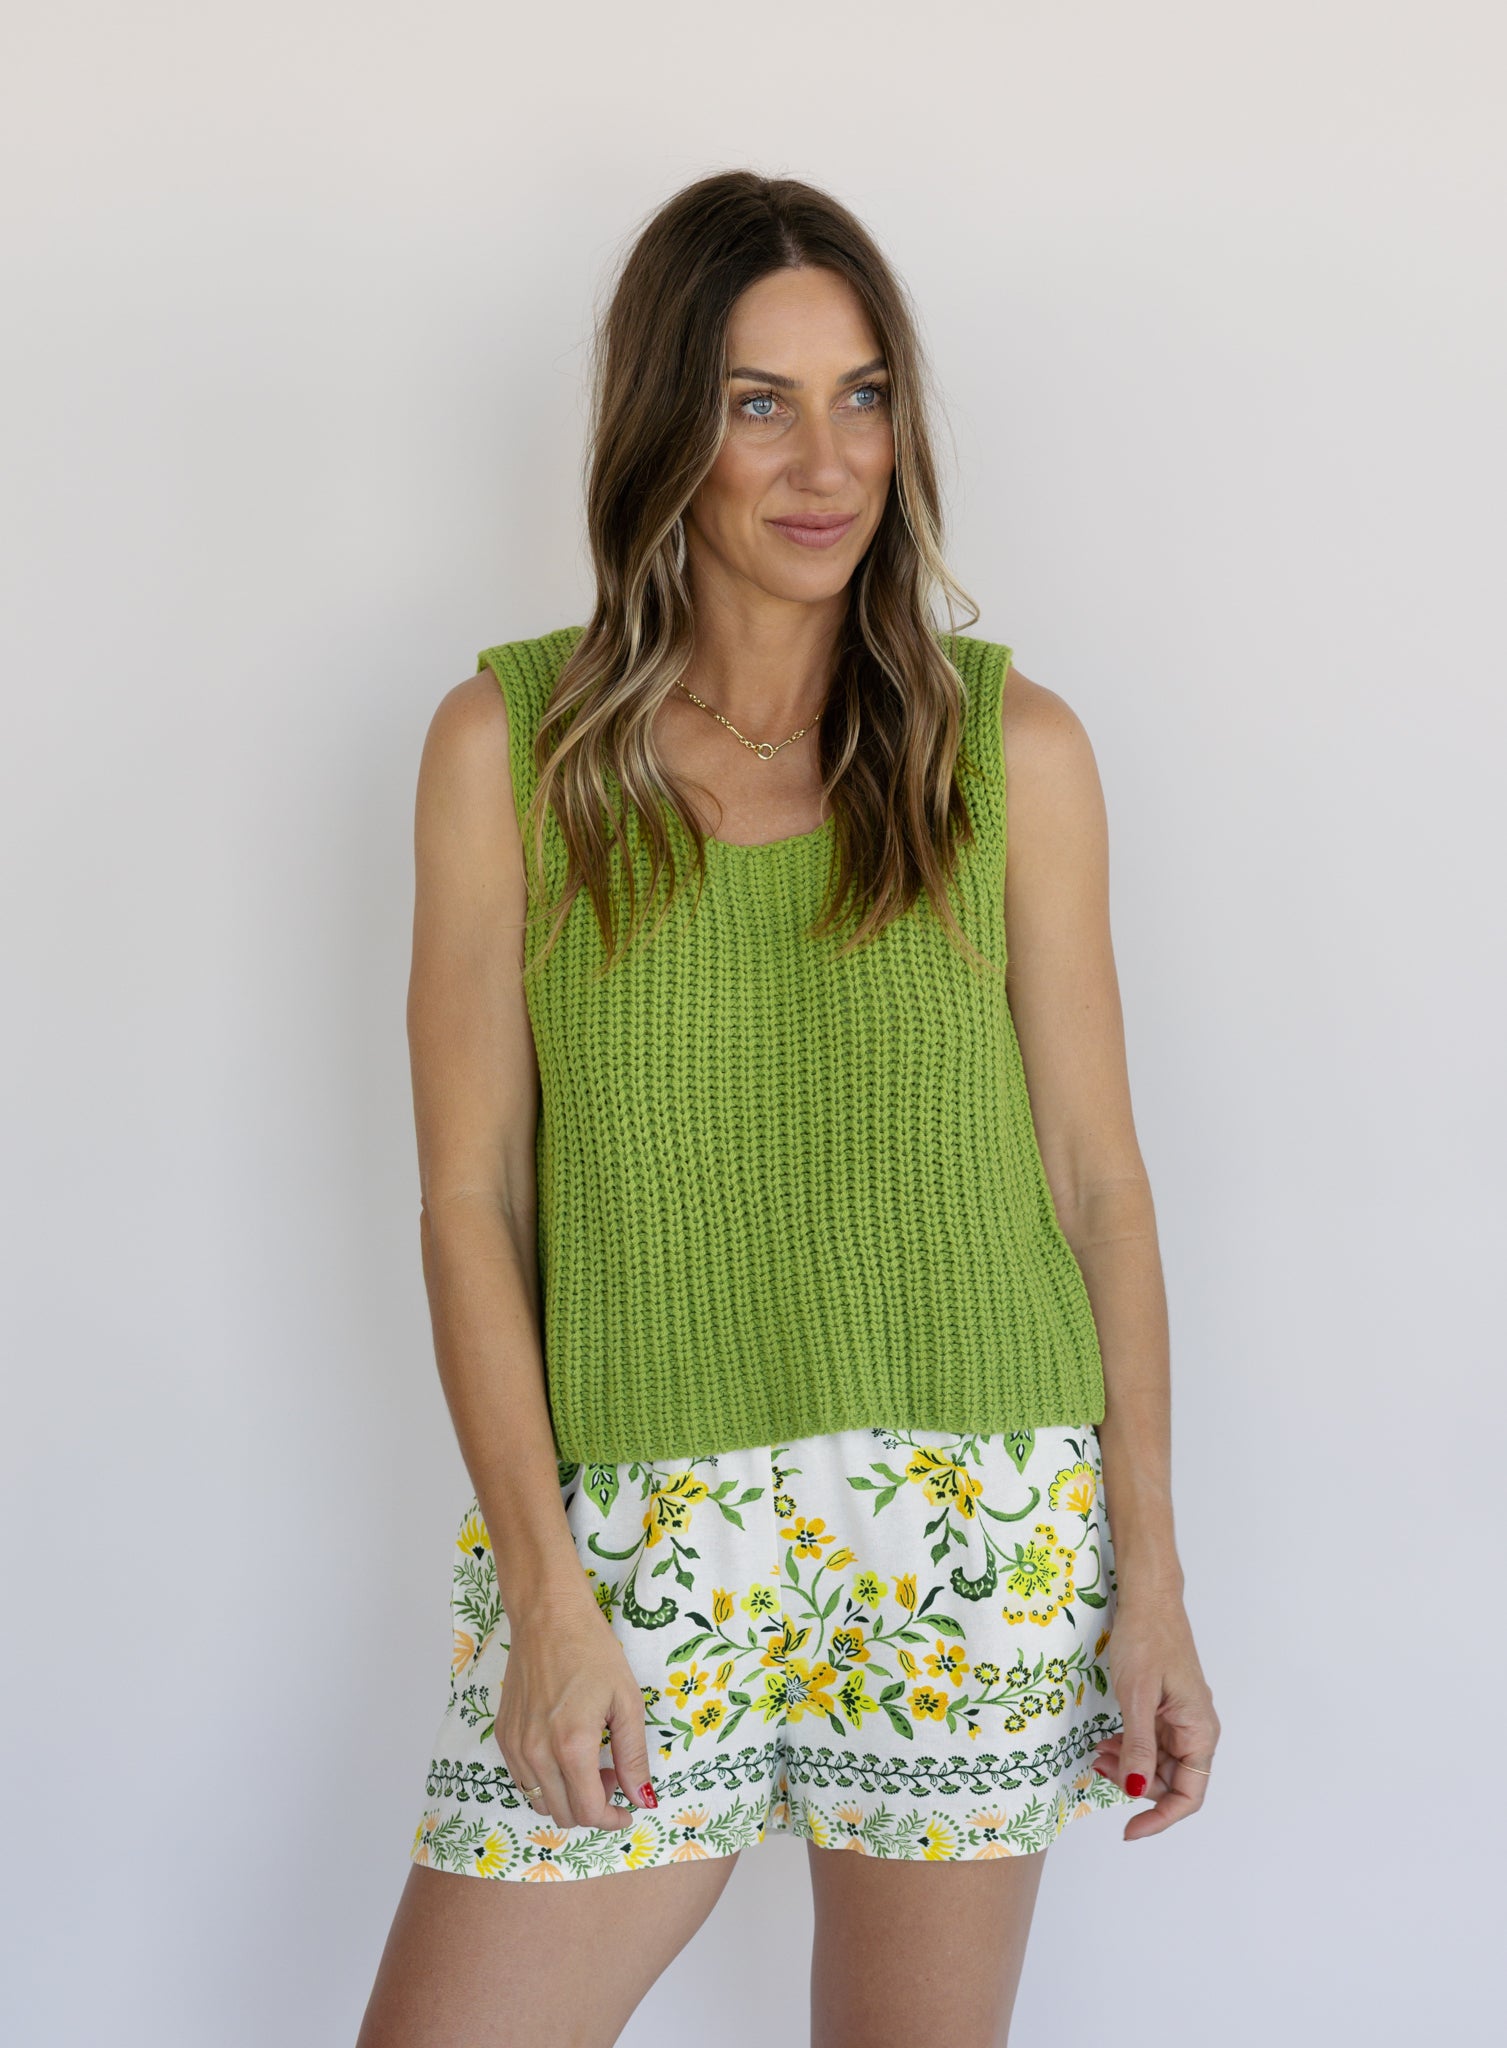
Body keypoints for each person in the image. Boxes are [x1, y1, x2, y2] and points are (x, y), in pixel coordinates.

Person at [357, 169, 1219, 2048]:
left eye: (863, 396)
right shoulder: (513, 751)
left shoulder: (1012, 752)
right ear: (666, 425)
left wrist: (1150, 1584)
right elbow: (469, 1198)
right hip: (638, 1534)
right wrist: (546, 1592)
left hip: (977, 1518)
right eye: (760, 402)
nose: (828, 462)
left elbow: (1100, 1186)